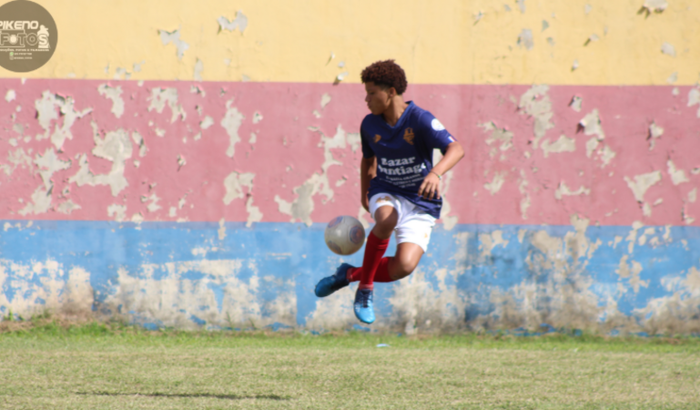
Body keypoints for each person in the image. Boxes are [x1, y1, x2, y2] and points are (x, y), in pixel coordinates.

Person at [314, 59, 465, 324]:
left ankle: (348, 275)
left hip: (420, 202)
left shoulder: (420, 119)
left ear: (391, 92)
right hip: (386, 190)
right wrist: (365, 193)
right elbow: (368, 161)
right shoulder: (369, 124)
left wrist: (435, 173)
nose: (366, 99)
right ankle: (365, 291)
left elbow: (456, 148)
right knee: (387, 220)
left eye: (372, 93)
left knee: (404, 266)